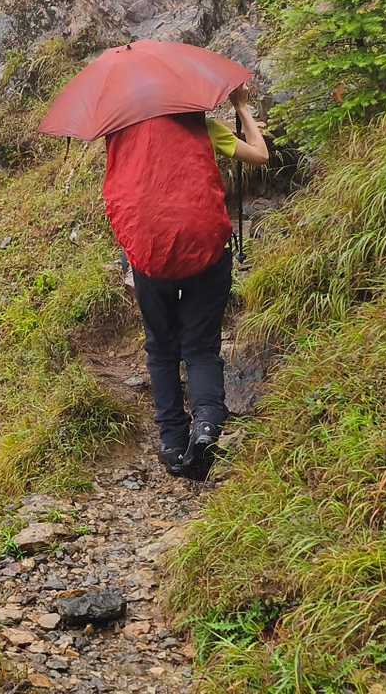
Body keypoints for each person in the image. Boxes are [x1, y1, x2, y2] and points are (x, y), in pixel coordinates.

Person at [103, 85, 268, 481]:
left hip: (151, 258)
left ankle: (173, 443)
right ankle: (207, 423)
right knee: (200, 347)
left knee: (161, 349)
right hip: (205, 251)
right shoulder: (202, 126)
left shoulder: (122, 136)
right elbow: (260, 155)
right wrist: (242, 108)